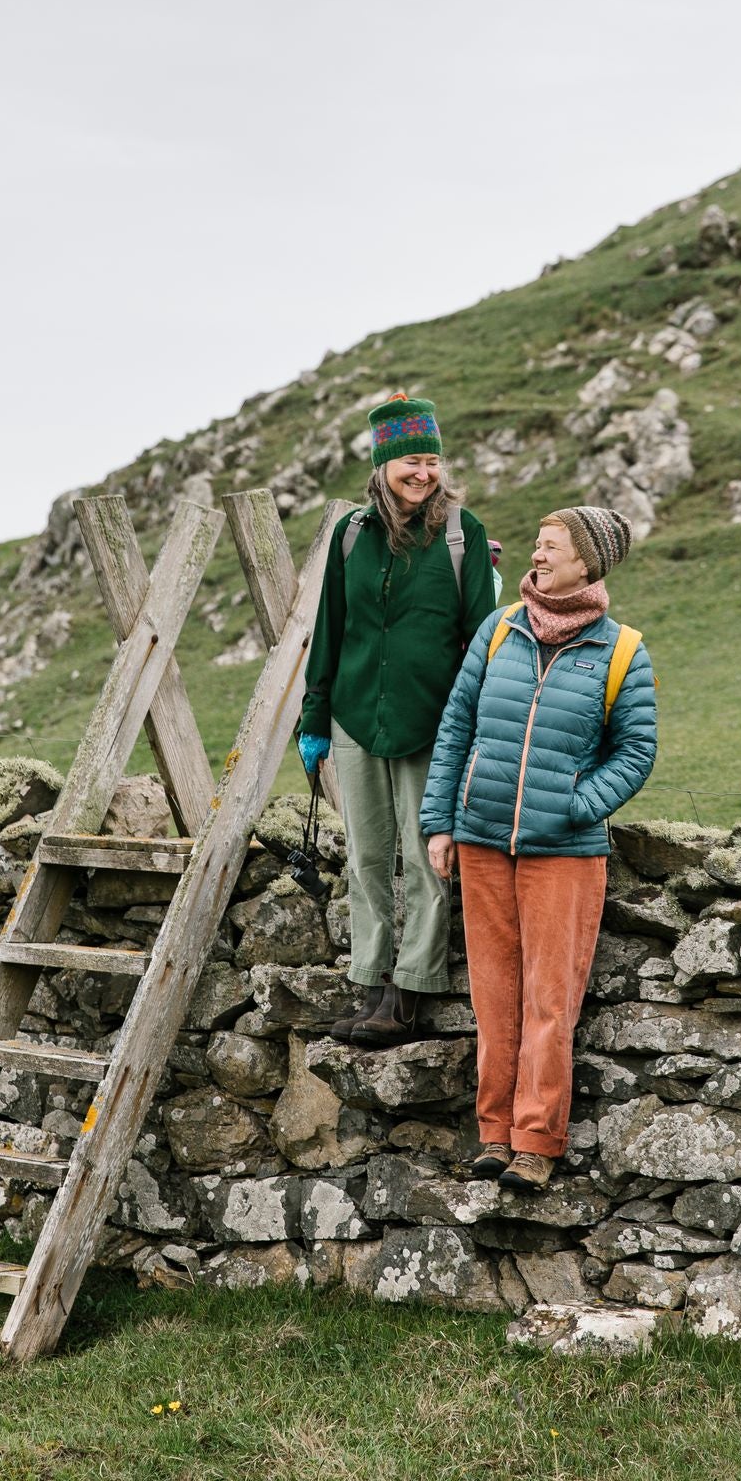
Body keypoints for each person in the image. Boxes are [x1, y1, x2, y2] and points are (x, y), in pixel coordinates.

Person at [419, 506, 656, 1190]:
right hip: (482, 842)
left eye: (551, 546)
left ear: (587, 561)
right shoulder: (498, 631)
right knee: (494, 999)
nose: (537, 554)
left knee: (550, 1003)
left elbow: (635, 752)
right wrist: (441, 822)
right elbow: (456, 725)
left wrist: (570, 807)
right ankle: (493, 1135)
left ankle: (535, 1142)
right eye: (538, 545)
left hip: (565, 855)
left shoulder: (621, 651)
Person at [298, 394, 497, 1046]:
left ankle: (409, 990)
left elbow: (479, 640)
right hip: (357, 713)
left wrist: (468, 726)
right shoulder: (350, 535)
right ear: (383, 464)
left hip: (431, 721)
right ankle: (369, 980)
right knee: (366, 854)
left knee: (424, 855)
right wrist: (315, 716)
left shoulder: (461, 534)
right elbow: (329, 626)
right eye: (412, 460)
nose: (423, 473)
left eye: (432, 461)